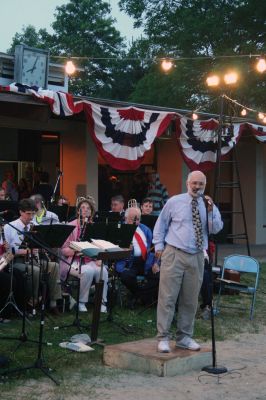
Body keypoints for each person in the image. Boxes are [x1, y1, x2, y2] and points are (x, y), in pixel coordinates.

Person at [153, 170, 223, 353]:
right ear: (187, 183)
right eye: (194, 183)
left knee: (190, 299)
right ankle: (163, 337)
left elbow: (215, 229)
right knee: (168, 297)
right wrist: (159, 248)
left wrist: (210, 212)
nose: (197, 187)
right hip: (174, 253)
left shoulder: (208, 205)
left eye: (201, 184)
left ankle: (184, 337)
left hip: (197, 255)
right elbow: (160, 225)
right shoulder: (174, 202)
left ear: (204, 186)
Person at [4, 198, 62, 315]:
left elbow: (41, 244)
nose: (31, 217)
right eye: (28, 214)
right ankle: (32, 302)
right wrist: (24, 252)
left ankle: (53, 303)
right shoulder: (9, 227)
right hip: (16, 261)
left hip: (33, 258)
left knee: (54, 266)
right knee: (35, 270)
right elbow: (7, 250)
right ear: (21, 212)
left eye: (33, 214)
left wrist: (41, 247)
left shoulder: (35, 225)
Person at [60, 197, 108, 313]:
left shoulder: (94, 227)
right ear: (78, 211)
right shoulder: (71, 226)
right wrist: (76, 251)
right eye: (82, 208)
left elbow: (100, 246)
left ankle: (101, 302)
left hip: (90, 259)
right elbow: (63, 250)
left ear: (91, 212)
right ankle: (82, 302)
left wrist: (99, 258)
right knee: (87, 271)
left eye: (88, 208)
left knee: (103, 271)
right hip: (73, 260)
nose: (85, 210)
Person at [116, 207, 159, 308]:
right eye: (132, 218)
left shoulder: (145, 229)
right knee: (126, 276)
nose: (136, 221)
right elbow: (113, 248)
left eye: (138, 219)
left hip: (146, 261)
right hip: (128, 262)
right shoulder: (120, 229)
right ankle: (144, 297)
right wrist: (124, 248)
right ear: (125, 218)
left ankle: (137, 296)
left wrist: (156, 263)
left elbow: (155, 248)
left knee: (159, 276)